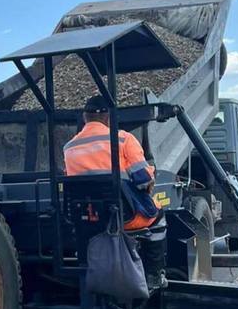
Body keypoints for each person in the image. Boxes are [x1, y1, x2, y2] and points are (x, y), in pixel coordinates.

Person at [63, 95, 167, 285]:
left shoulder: (69, 148)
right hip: (123, 217)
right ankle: (153, 275)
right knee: (159, 216)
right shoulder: (123, 139)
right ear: (108, 118)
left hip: (88, 221)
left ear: (85, 118)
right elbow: (143, 180)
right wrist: (150, 173)